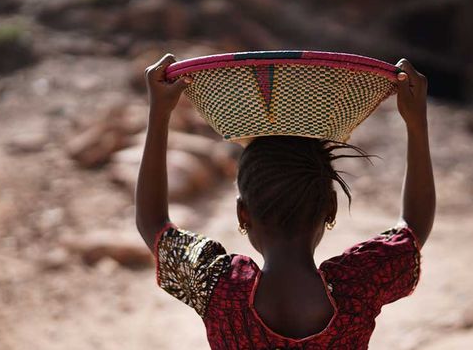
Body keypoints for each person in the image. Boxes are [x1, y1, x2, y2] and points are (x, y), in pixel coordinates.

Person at [135, 53, 435, 349]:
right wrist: (416, 122)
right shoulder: (358, 285)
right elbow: (413, 227)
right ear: (330, 208)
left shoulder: (219, 287)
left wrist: (159, 113)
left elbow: (154, 224)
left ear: (243, 214)